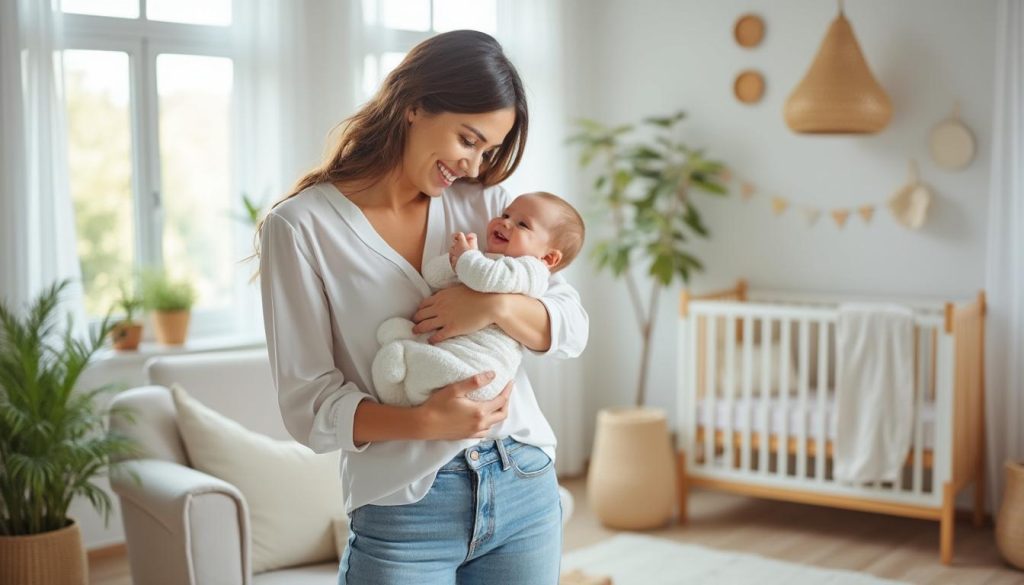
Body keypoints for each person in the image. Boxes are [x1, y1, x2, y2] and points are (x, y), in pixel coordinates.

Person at [255, 30, 589, 585]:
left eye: (487, 150)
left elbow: (571, 326)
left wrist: (491, 307)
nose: (474, 163)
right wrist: (423, 422)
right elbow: (308, 405)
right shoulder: (300, 227)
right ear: (414, 105)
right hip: (405, 509)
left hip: (522, 477)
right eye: (468, 139)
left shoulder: (483, 204)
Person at [372, 191, 586, 407]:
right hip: (454, 350)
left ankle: (408, 360)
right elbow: (433, 275)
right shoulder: (484, 259)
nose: (505, 223)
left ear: (548, 258)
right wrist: (454, 261)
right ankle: (400, 385)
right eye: (505, 215)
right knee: (413, 350)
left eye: (522, 225)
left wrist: (468, 260)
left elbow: (486, 277)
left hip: (481, 368)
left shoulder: (531, 271)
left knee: (441, 368)